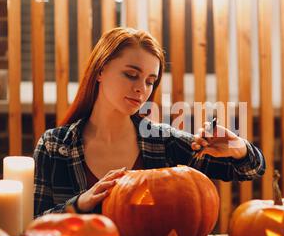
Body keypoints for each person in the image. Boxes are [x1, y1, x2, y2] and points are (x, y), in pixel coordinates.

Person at [33, 27, 266, 217]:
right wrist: (80, 203)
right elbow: (35, 224)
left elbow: (251, 169)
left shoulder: (163, 142)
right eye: (131, 75)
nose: (141, 89)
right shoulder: (55, 145)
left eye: (150, 81)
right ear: (101, 71)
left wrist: (239, 149)